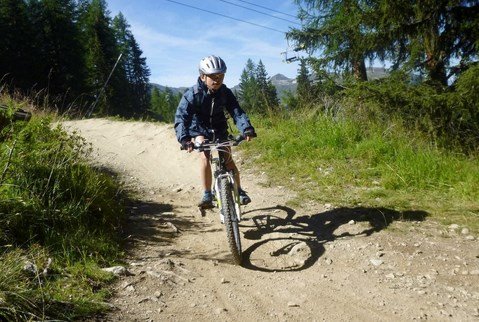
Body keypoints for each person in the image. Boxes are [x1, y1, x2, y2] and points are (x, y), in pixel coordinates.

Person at [174, 55, 256, 209]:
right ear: (202, 76)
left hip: (219, 128)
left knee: (228, 158)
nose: (217, 80)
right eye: (213, 76)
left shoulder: (225, 92)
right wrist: (185, 139)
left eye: (221, 76)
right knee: (204, 155)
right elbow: (181, 117)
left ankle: (239, 190)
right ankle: (207, 193)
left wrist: (246, 128)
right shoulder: (192, 94)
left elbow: (236, 111)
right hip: (199, 129)